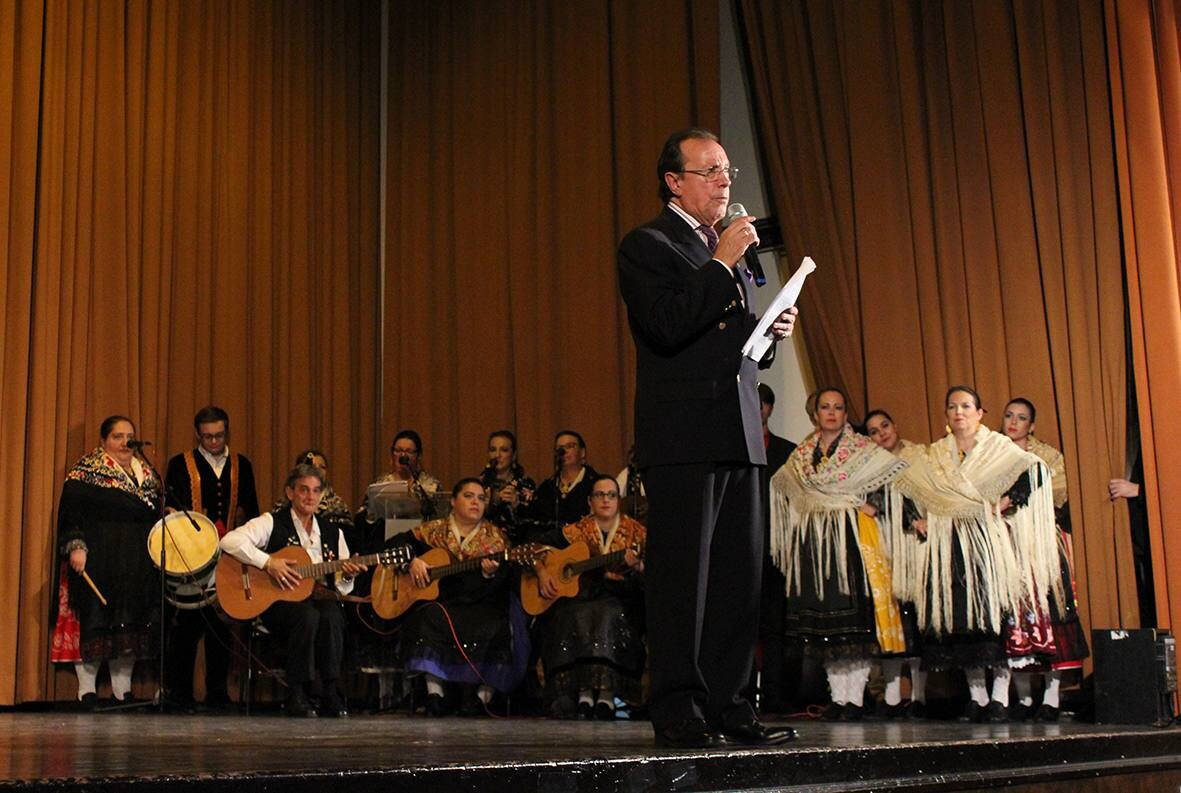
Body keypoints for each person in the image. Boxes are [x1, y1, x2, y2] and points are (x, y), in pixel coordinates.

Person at [617, 127, 797, 747]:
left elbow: (730, 343)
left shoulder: (726, 252)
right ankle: (679, 712)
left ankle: (732, 709)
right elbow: (667, 327)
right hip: (684, 432)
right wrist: (721, 261)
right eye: (712, 171)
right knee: (682, 581)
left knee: (735, 580)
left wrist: (768, 332)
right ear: (675, 181)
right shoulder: (648, 244)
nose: (726, 181)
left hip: (740, 428)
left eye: (728, 172)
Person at [897, 386, 1061, 723]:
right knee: (960, 619)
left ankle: (999, 698)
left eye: (966, 406)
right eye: (953, 406)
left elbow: (1035, 471)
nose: (959, 412)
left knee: (994, 619)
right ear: (946, 414)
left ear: (980, 412)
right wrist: (919, 520)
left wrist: (1004, 503)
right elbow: (905, 485)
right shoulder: (936, 454)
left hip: (987, 541)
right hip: (948, 542)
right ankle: (978, 697)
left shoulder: (997, 448)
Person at [770, 389, 909, 721]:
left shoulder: (863, 450)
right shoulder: (802, 455)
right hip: (814, 542)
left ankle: (855, 700)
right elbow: (783, 485)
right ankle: (839, 697)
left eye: (838, 408)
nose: (831, 413)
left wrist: (869, 505)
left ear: (846, 415)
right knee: (826, 629)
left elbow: (891, 478)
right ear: (815, 414)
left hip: (850, 537)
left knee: (852, 624)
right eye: (825, 408)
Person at [219, 464, 366, 717]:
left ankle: (329, 690)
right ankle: (297, 691)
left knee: (332, 614)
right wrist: (268, 563)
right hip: (276, 605)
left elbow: (339, 587)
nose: (310, 497)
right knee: (306, 616)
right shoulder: (272, 522)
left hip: (318, 600)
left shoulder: (332, 532)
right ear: (290, 493)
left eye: (316, 491)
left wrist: (347, 575)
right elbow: (229, 541)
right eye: (303, 490)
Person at [49, 416, 162, 709]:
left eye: (129, 436)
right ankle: (86, 690)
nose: (125, 443)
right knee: (95, 620)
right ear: (103, 441)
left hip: (137, 561)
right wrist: (76, 546)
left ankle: (122, 690)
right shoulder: (85, 472)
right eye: (117, 436)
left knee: (131, 621)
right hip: (99, 558)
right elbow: (70, 513)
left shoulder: (148, 474)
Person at [391, 478, 529, 716]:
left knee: (497, 624)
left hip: (480, 604)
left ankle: (481, 697)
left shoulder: (495, 539)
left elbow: (508, 580)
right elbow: (395, 543)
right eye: (469, 496)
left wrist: (489, 575)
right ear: (453, 501)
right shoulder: (433, 530)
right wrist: (412, 561)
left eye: (481, 498)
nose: (476, 502)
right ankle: (434, 692)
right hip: (442, 604)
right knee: (428, 618)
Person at [162, 405, 260, 711]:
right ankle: (180, 693)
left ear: (226, 432)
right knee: (187, 624)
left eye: (218, 436)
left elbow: (252, 510)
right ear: (197, 435)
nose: (214, 442)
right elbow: (170, 510)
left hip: (229, 553)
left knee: (222, 624)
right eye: (207, 437)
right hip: (191, 556)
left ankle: (218, 693)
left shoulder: (241, 465)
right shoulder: (179, 464)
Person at [1001, 397, 1089, 721]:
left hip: (1041, 544)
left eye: (1021, 417)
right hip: (1007, 544)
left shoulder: (1048, 457)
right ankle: (1023, 700)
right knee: (1015, 619)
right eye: (1009, 415)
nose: (1013, 422)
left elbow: (1059, 500)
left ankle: (1051, 698)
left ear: (1031, 425)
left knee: (1053, 614)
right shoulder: (992, 455)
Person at [531, 475, 647, 720]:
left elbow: (654, 574)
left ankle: (605, 695)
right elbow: (534, 548)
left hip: (621, 600)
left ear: (619, 500)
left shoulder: (637, 533)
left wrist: (637, 568)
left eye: (611, 495)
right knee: (574, 614)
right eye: (599, 495)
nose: (605, 500)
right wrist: (542, 572)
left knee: (607, 614)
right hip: (580, 599)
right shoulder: (576, 531)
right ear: (589, 501)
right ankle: (583, 693)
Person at [864, 408, 928, 717]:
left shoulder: (919, 458)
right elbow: (869, 506)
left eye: (885, 426)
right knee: (891, 622)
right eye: (874, 431)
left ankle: (919, 697)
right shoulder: (868, 467)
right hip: (884, 548)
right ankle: (890, 699)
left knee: (915, 622)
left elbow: (929, 496)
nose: (881, 434)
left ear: (895, 425)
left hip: (915, 548)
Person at [755, 383, 796, 713]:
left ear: (770, 409)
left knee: (775, 626)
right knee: (740, 624)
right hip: (740, 549)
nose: (758, 409)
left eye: (763, 404)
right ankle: (737, 692)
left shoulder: (788, 451)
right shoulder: (732, 447)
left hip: (777, 547)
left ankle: (773, 694)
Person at [521, 431, 599, 541]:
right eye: (560, 448)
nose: (564, 451)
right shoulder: (547, 488)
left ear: (582, 452)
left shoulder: (596, 484)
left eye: (570, 446)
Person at [478, 430, 536, 541]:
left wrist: (516, 506)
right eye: (493, 450)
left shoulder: (525, 485)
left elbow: (532, 523)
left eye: (504, 450)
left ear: (513, 455)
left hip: (516, 545)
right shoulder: (478, 484)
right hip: (482, 544)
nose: (497, 455)